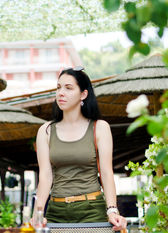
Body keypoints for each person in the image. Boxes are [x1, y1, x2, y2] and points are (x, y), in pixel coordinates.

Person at [32, 67, 127, 231]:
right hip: (56, 210)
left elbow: (106, 172)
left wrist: (112, 210)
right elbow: (45, 176)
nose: (61, 93)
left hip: (92, 209)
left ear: (83, 94)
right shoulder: (45, 131)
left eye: (68, 88)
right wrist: (37, 214)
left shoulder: (100, 127)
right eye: (58, 87)